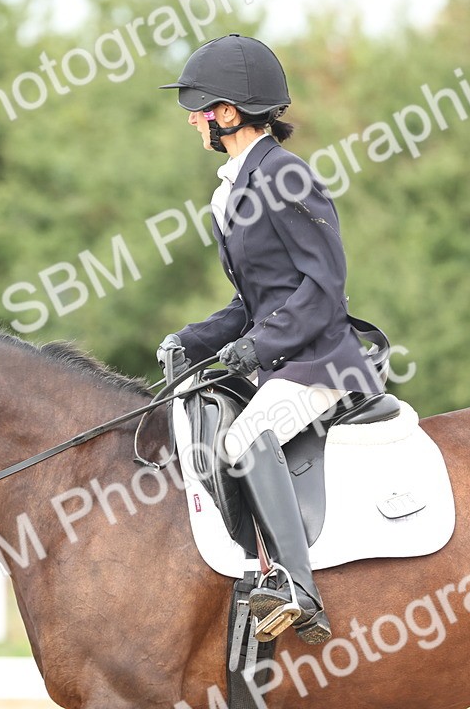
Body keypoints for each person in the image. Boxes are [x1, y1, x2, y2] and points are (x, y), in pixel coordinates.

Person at [156, 33, 385, 644]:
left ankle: (296, 586)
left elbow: (323, 286)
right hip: (283, 359)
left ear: (226, 114)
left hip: (322, 362)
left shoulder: (284, 175)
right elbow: (253, 300)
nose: (191, 122)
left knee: (246, 435)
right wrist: (194, 339)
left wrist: (259, 347)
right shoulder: (233, 187)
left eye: (197, 110)